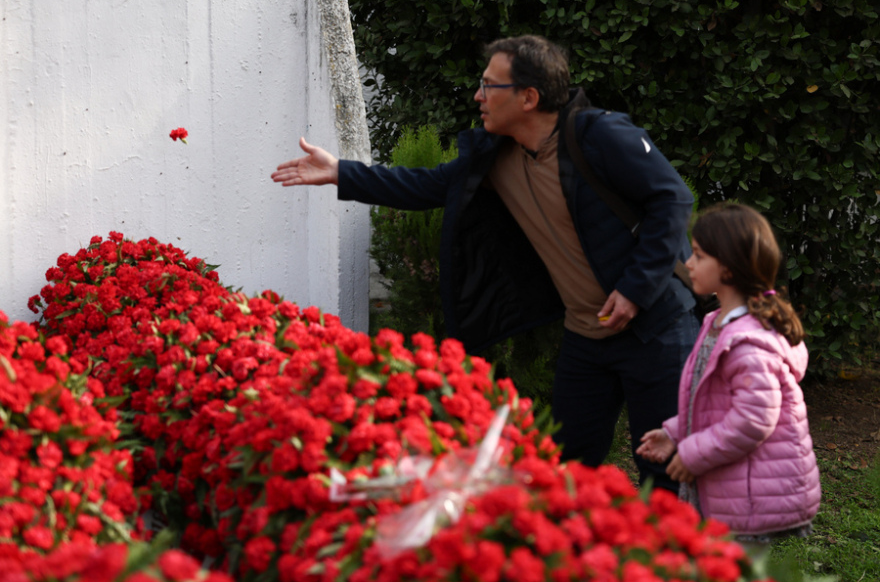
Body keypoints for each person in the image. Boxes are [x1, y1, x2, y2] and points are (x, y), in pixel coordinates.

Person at [272, 35, 698, 491]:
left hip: (657, 327)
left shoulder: (601, 136)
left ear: (528, 97)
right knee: (569, 469)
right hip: (586, 336)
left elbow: (673, 199)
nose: (477, 96)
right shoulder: (496, 155)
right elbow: (427, 186)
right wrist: (341, 172)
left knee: (663, 472)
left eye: (489, 86)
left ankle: (676, 560)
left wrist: (636, 288)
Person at [636, 202, 820, 548]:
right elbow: (713, 402)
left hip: (747, 496)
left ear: (729, 269)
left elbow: (752, 420)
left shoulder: (748, 343)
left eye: (699, 255)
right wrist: (675, 432)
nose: (688, 263)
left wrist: (692, 454)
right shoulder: (717, 324)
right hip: (727, 483)